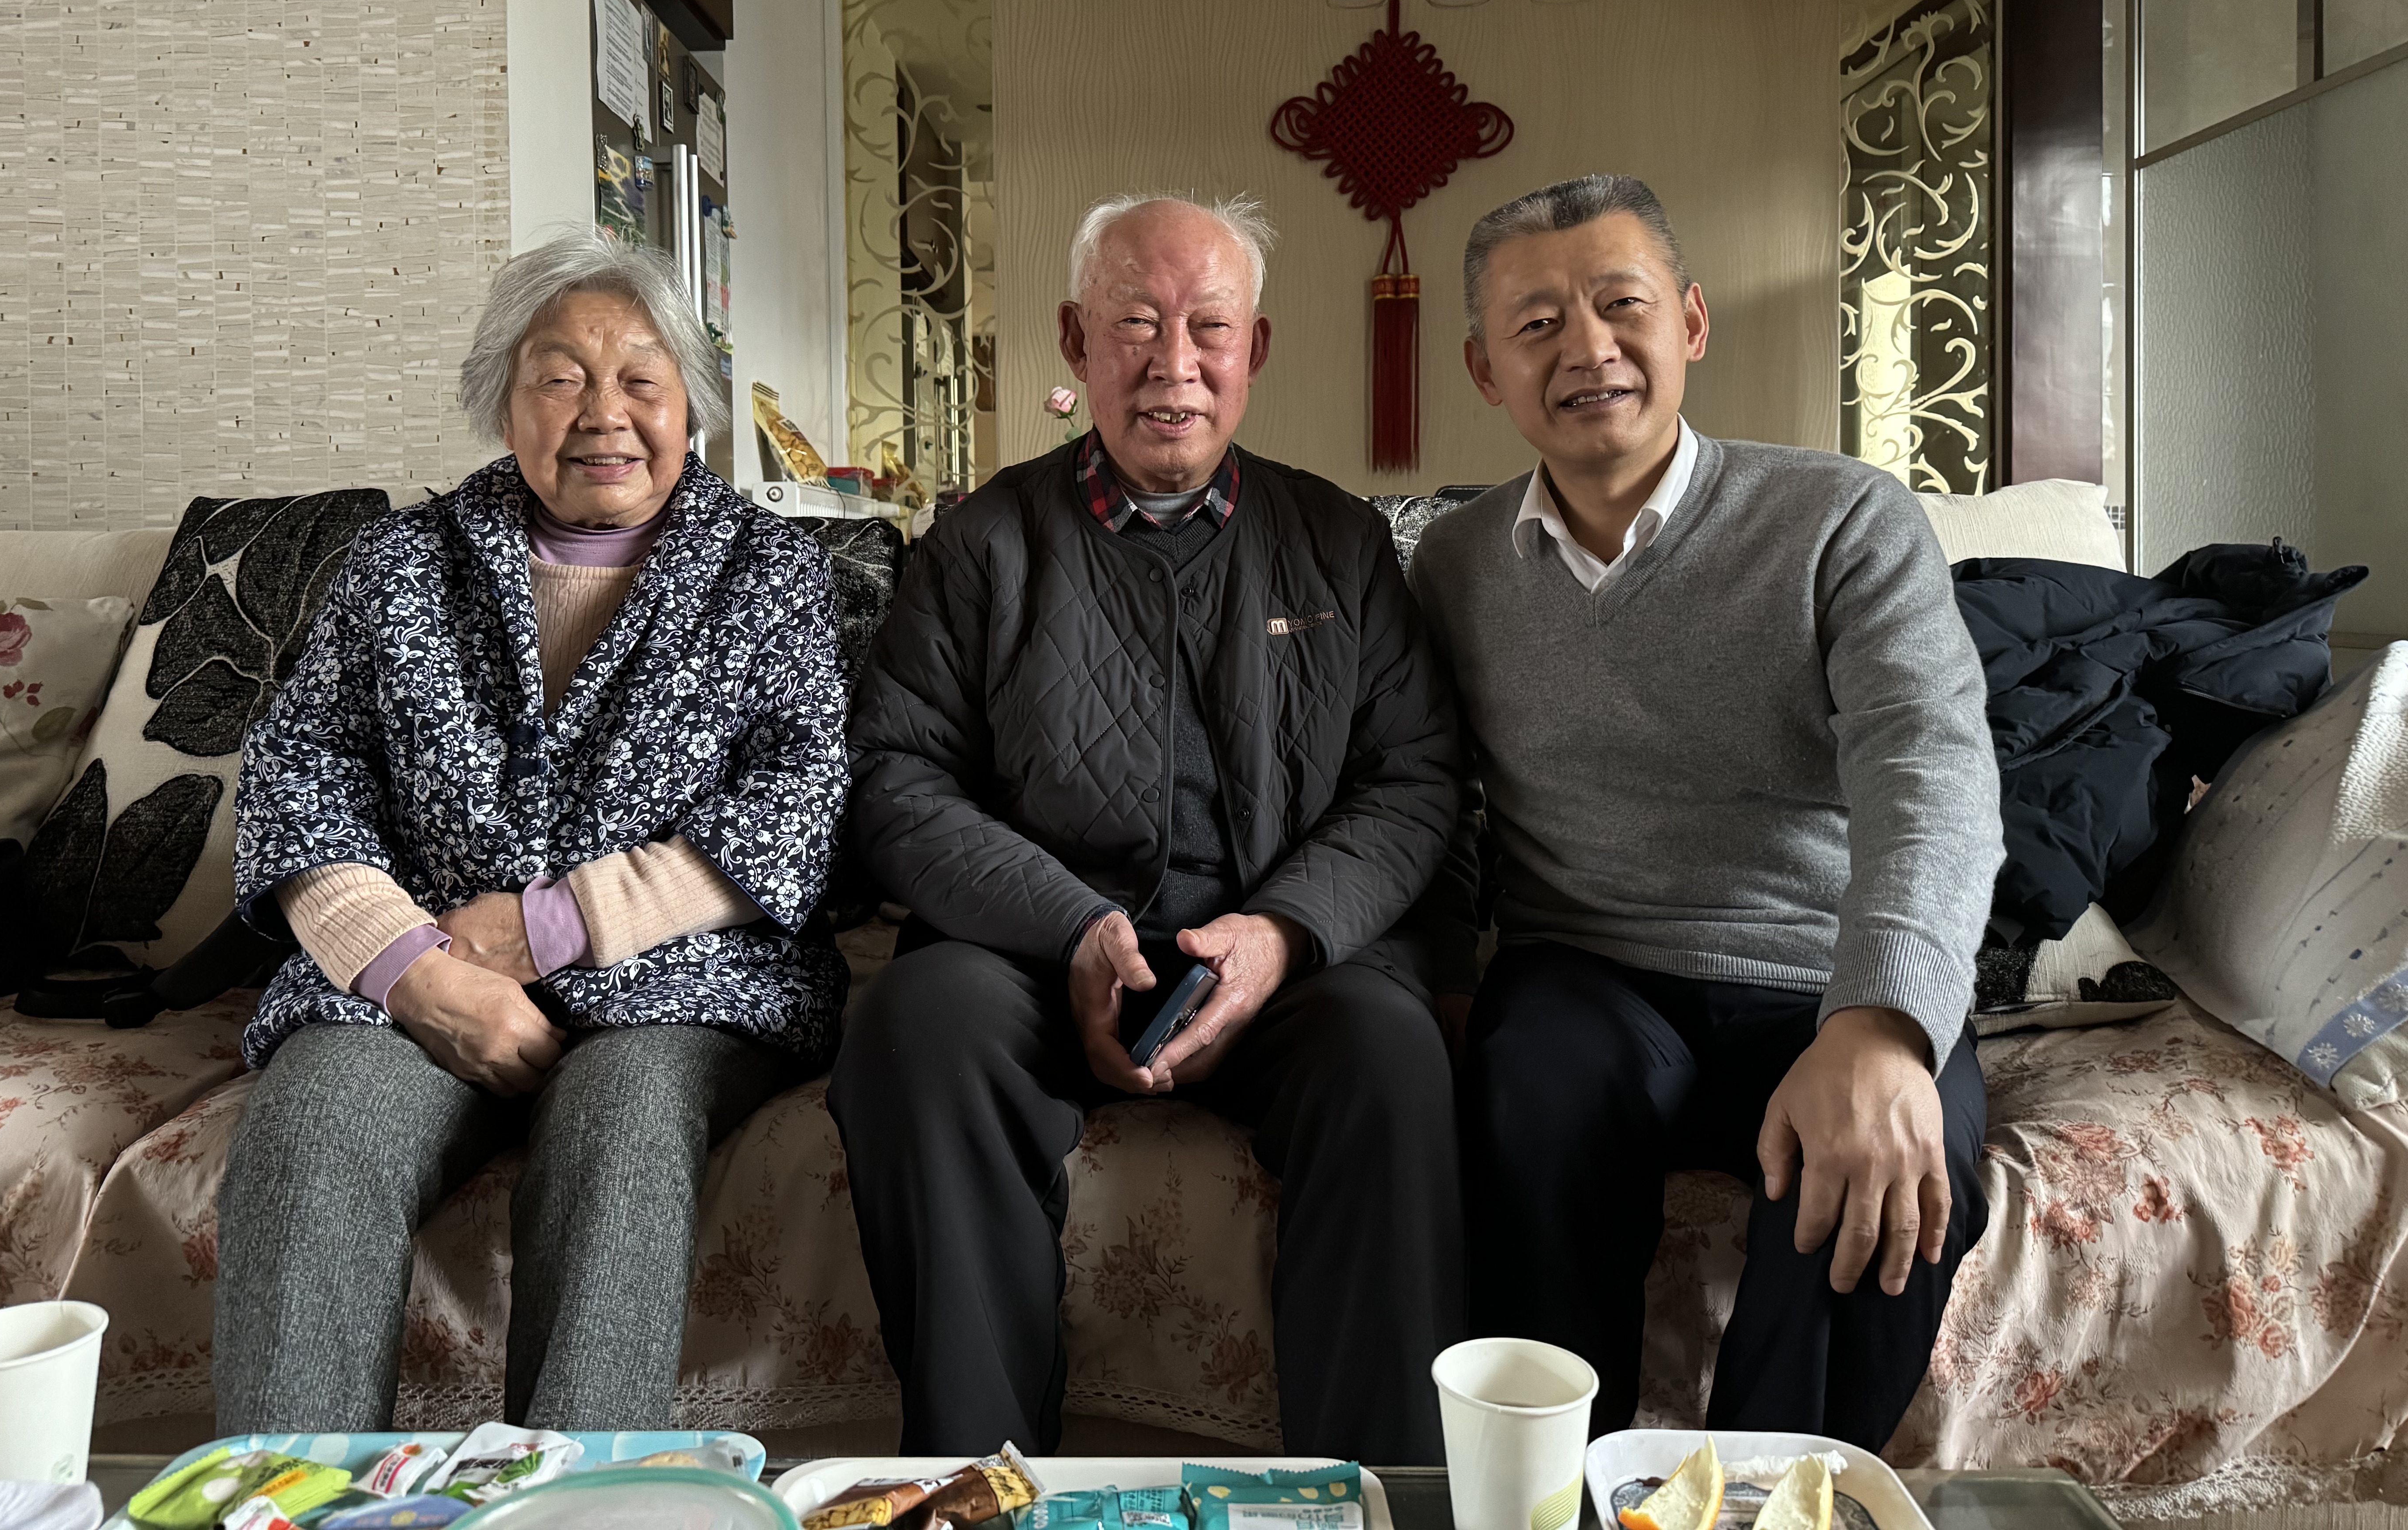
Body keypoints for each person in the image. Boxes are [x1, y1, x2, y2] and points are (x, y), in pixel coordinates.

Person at [831, 194, 1469, 1460]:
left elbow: (1415, 778)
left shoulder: (1338, 542)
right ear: (1077, 341)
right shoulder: (981, 545)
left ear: (1255, 350)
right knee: (915, 1027)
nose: (1174, 364)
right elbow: (897, 780)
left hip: (1278, 960)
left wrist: (1283, 933)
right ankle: (984, 1478)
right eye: (1135, 324)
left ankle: (1376, 1490)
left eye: (1208, 327)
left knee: (1391, 1057)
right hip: (1033, 957)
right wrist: (1070, 926)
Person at [215, 232, 852, 1431]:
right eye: (561, 378)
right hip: (421, 968)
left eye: (641, 379)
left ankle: (574, 1500)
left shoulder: (771, 572)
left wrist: (552, 928)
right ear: (502, 404)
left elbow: (799, 800)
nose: (604, 413)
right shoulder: (399, 566)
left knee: (622, 1130)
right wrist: (411, 970)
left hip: (680, 982)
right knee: (314, 1131)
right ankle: (285, 1502)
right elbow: (300, 774)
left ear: (691, 404)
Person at [1410, 174, 2004, 1450]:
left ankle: (1763, 1501)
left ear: (1689, 320)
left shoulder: (1842, 519)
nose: (1588, 348)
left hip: (1822, 972)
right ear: (1483, 369)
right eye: (1537, 325)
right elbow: (1431, 798)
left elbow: (1932, 772)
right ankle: (1553, 1492)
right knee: (1531, 1095)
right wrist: (1449, 981)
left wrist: (1882, 1024)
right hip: (1587, 971)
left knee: (1888, 1173)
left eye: (1621, 305)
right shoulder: (1453, 567)